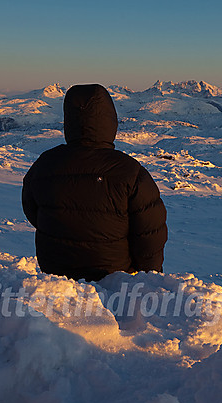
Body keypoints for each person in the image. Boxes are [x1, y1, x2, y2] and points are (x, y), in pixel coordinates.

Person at [21, 84, 167, 281]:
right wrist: (149, 278)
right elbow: (149, 232)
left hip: (55, 274)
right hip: (112, 277)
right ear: (110, 120)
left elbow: (32, 211)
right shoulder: (130, 171)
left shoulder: (44, 165)